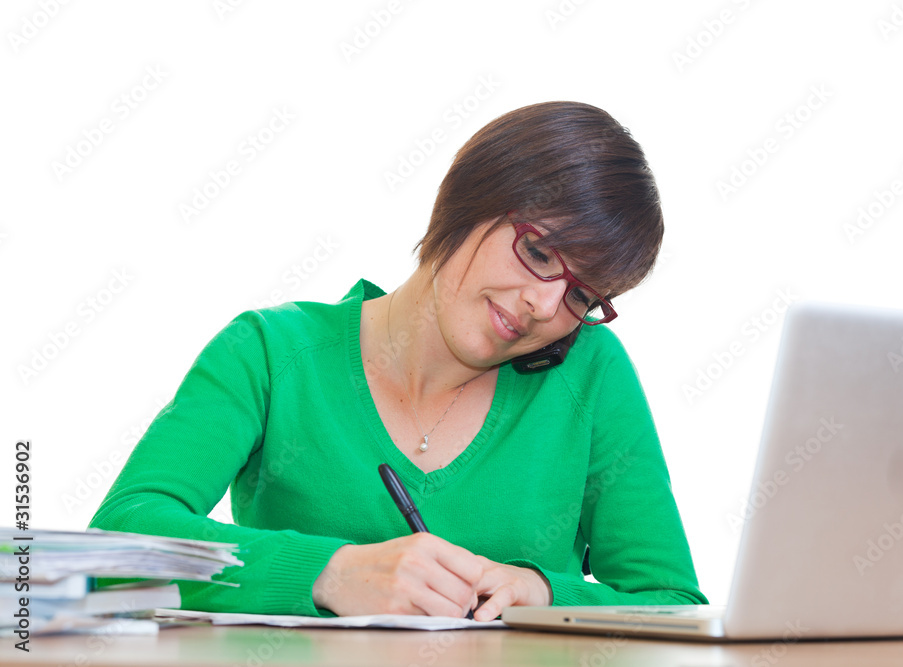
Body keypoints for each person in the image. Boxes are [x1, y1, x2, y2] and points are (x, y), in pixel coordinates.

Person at [89, 101, 708, 620]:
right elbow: (118, 540)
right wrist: (329, 573)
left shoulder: (591, 372)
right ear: (468, 200)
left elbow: (672, 603)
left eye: (581, 296)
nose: (545, 307)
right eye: (540, 253)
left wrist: (547, 594)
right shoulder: (271, 351)